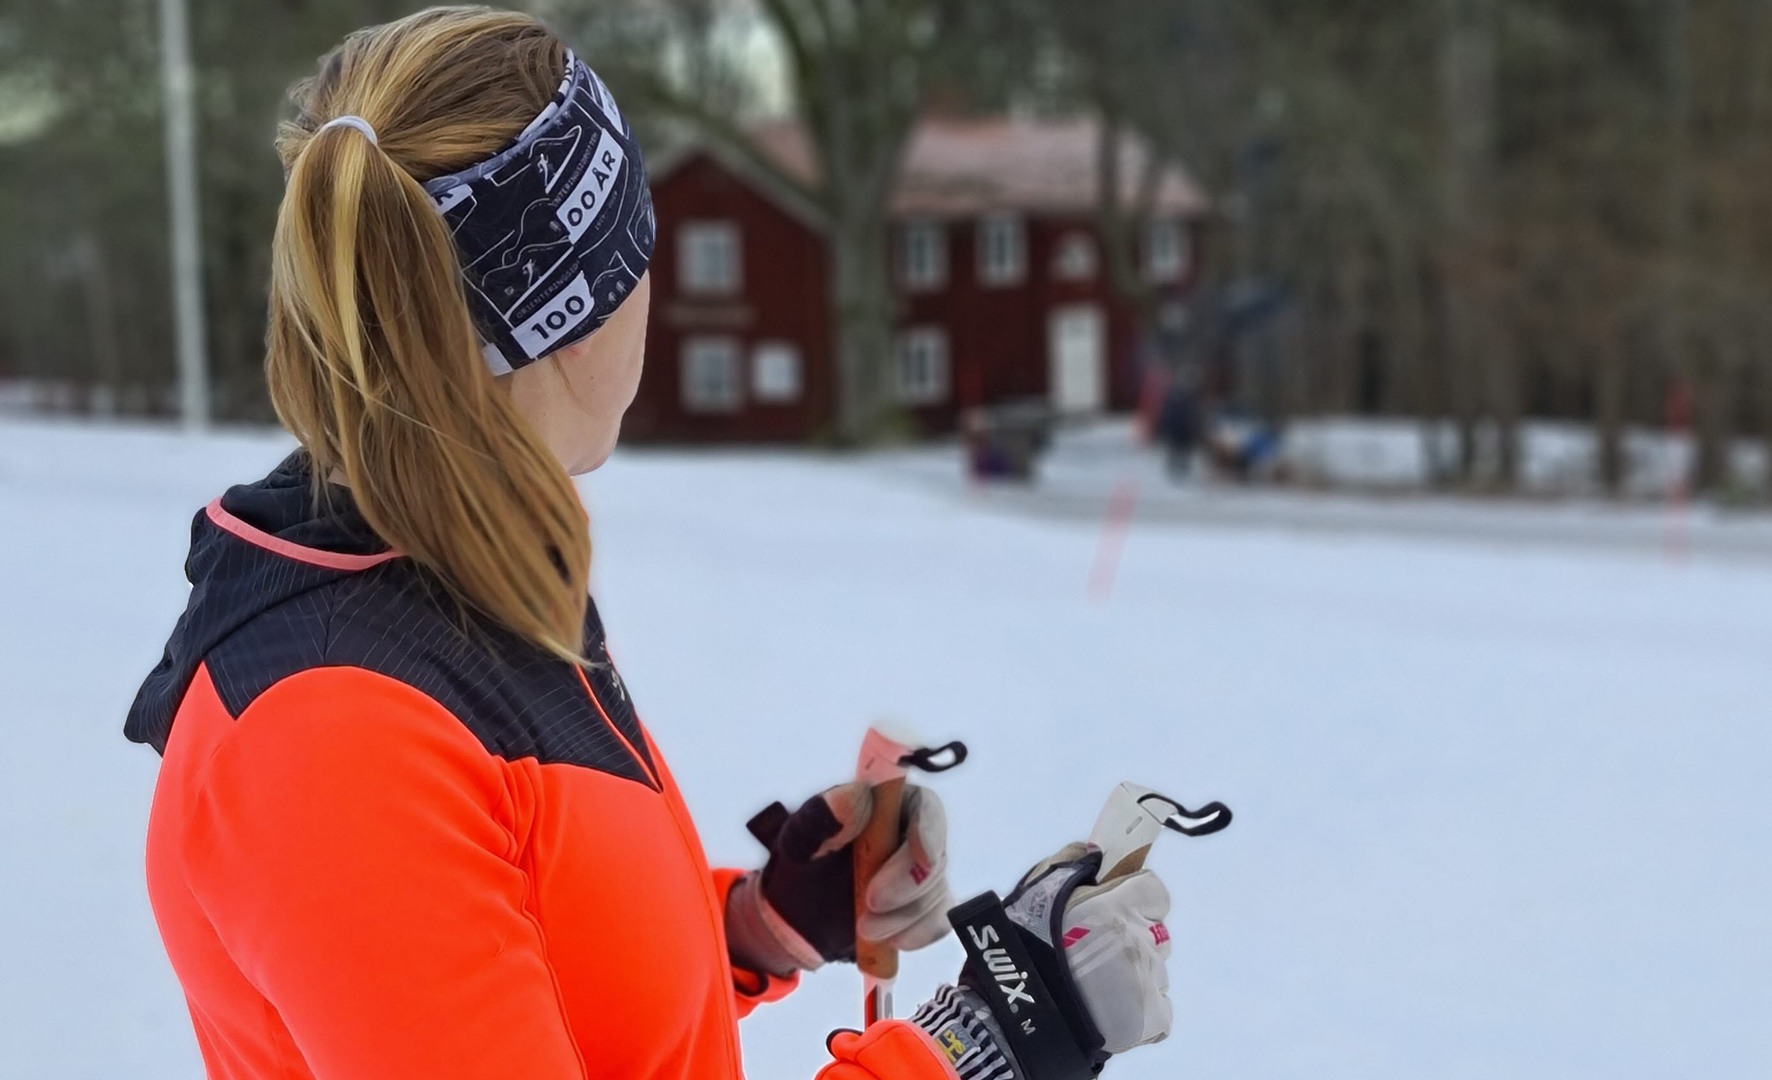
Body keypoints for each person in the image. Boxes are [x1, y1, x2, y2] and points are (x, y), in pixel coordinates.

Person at [124, 9, 1178, 1079]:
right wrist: (981, 1046)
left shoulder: (465, 569)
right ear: (571, 317)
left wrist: (760, 927)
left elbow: (534, 983)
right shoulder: (332, 740)